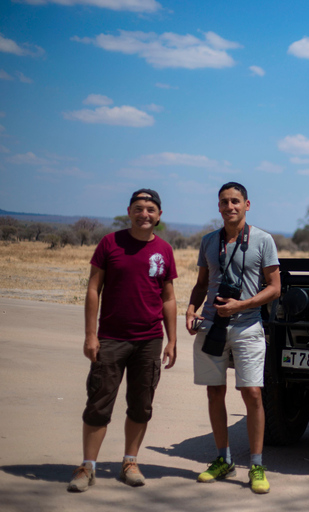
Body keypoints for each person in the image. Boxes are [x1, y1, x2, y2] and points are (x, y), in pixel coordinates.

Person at [68, 189, 177, 492]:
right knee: (99, 403)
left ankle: (130, 461)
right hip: (112, 338)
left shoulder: (165, 250)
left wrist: (172, 340)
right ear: (129, 211)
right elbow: (93, 289)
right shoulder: (110, 243)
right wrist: (91, 335)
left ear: (159, 215)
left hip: (149, 340)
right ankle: (87, 466)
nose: (145, 214)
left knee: (141, 405)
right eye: (139, 208)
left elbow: (168, 298)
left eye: (151, 209)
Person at [186, 182, 280, 494]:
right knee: (215, 392)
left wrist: (242, 305)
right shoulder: (209, 241)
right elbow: (202, 284)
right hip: (212, 326)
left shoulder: (263, 240)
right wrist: (190, 308)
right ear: (218, 207)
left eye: (236, 201)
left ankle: (256, 464)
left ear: (247, 205)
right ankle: (223, 459)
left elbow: (274, 288)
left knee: (252, 393)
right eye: (225, 202)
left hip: (248, 326)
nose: (230, 207)